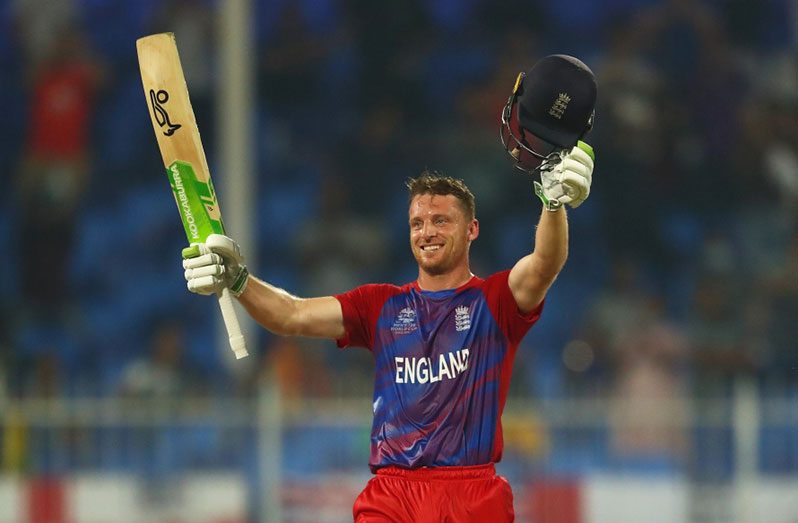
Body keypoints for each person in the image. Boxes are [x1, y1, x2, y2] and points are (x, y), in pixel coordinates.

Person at [182, 55, 596, 522]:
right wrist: (238, 279)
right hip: (392, 494)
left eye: (441, 220)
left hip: (473, 492)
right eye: (418, 222)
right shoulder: (379, 305)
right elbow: (291, 315)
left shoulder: (494, 300)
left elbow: (545, 264)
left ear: (472, 230)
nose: (427, 231)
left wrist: (553, 203)